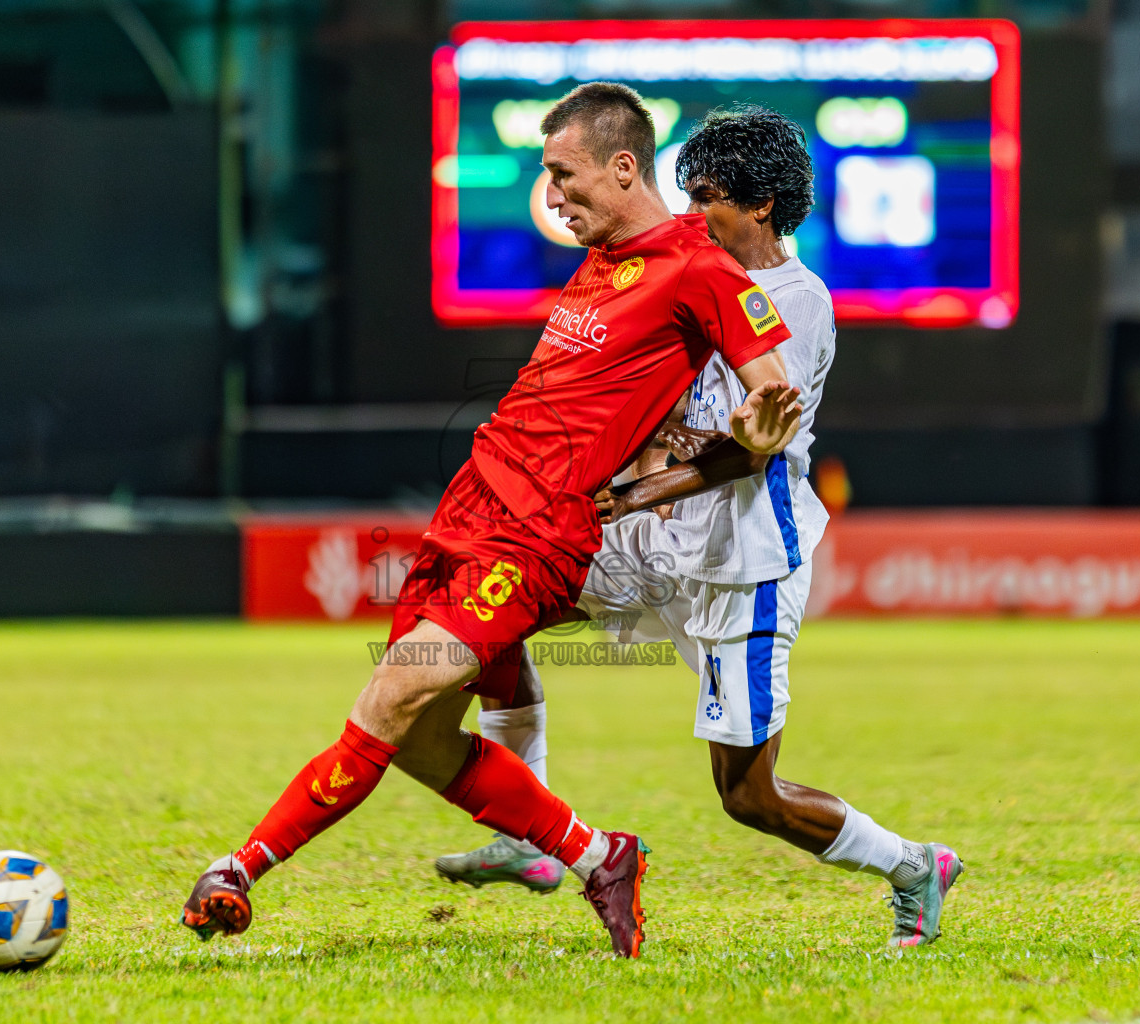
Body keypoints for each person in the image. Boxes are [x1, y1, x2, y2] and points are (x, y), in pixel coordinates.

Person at [180, 83, 806, 959]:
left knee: (392, 696)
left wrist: (758, 419)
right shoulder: (606, 258)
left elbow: (769, 378)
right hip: (470, 509)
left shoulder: (703, 267)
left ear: (624, 167)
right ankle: (599, 856)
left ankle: (238, 870)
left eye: (564, 174)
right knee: (424, 741)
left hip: (537, 536)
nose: (552, 196)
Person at [433, 105, 964, 949]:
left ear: (761, 205)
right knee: (499, 613)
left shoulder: (800, 304)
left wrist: (626, 496)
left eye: (708, 195)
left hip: (742, 558)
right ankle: (527, 835)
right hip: (654, 540)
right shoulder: (682, 266)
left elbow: (749, 454)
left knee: (749, 797)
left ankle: (913, 866)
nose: (689, 211)